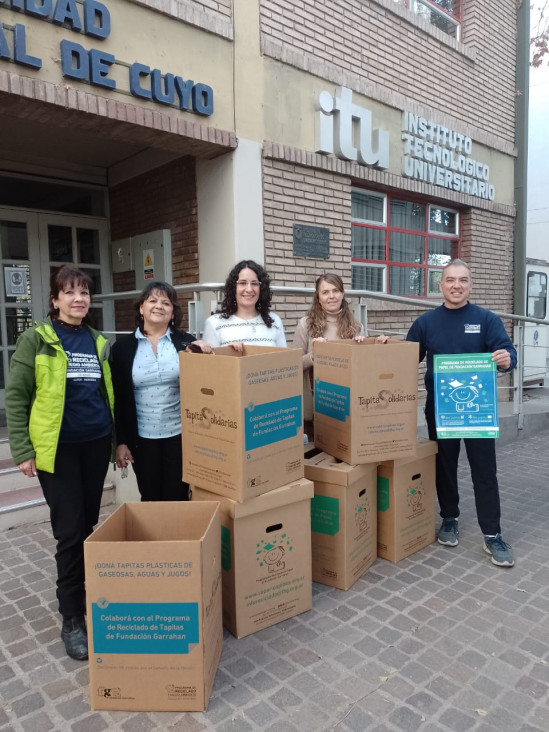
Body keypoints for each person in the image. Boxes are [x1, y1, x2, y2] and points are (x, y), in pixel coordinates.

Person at [5, 265, 114, 661]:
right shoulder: (36, 339)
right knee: (70, 531)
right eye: (69, 292)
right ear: (55, 300)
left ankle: (87, 592)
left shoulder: (98, 340)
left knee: (87, 524)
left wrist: (115, 441)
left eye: (84, 291)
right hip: (58, 450)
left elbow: (108, 395)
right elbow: (16, 397)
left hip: (96, 444)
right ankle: (71, 617)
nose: (78, 298)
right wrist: (22, 449)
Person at [406, 259, 517, 567]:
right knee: (444, 466)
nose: (457, 285)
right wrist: (381, 348)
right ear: (440, 286)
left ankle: (492, 534)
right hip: (440, 410)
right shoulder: (426, 322)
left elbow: (509, 352)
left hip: (478, 412)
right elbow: (403, 359)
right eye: (450, 280)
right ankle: (449, 518)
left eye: (463, 280)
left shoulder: (486, 320)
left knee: (485, 471)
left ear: (470, 285)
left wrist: (507, 358)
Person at [110, 281, 212, 503]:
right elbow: (118, 399)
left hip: (180, 435)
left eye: (166, 302)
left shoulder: (187, 343)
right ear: (141, 308)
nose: (159, 306)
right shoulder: (122, 349)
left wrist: (207, 352)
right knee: (150, 496)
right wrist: (121, 442)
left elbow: (206, 384)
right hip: (142, 438)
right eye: (153, 300)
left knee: (178, 495)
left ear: (173, 311)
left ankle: (180, 537)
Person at [292, 273, 364, 441]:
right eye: (325, 292)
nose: (331, 296)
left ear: (343, 294)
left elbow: (364, 368)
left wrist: (363, 349)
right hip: (316, 406)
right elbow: (293, 364)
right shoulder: (305, 324)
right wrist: (313, 356)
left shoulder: (356, 326)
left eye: (336, 290)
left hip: (347, 407)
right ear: (318, 297)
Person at [202, 260, 286, 348]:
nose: (249, 289)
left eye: (254, 283)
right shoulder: (215, 323)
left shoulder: (275, 321)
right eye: (242, 283)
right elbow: (209, 360)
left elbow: (284, 359)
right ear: (233, 288)